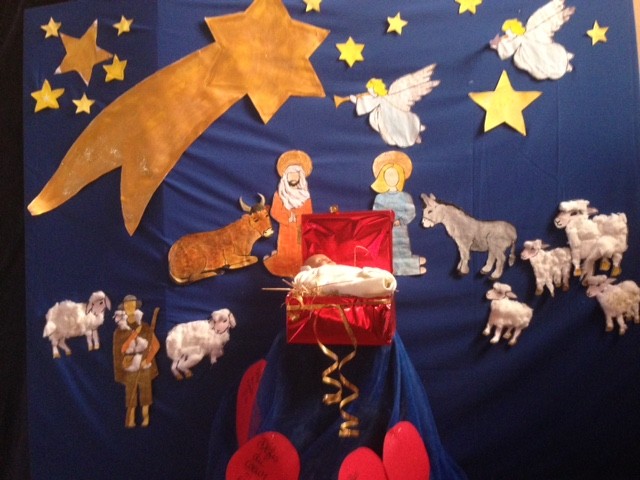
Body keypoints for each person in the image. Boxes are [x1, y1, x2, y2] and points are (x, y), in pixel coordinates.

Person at [371, 151, 426, 276]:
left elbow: (410, 212)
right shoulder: (380, 198)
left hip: (401, 229)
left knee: (402, 248)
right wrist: (386, 222)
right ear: (383, 177)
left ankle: (412, 266)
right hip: (386, 231)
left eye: (394, 174)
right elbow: (376, 214)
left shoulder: (405, 196)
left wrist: (400, 221)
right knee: (388, 250)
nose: (391, 178)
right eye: (388, 175)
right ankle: (393, 268)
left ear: (400, 176)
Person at [263, 150, 313, 277]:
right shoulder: (280, 195)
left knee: (299, 254)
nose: (293, 178)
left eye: (296, 174)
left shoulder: (305, 196)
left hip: (300, 231)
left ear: (300, 176)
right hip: (285, 230)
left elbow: (308, 213)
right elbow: (274, 212)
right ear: (286, 176)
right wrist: (287, 219)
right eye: (290, 174)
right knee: (285, 251)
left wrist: (297, 220)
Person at [112, 295, 160, 428]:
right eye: (127, 305)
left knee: (146, 394)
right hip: (129, 367)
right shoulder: (119, 332)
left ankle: (145, 418)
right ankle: (131, 419)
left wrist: (148, 360)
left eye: (132, 305)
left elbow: (155, 345)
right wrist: (120, 372)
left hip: (144, 366)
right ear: (123, 308)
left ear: (136, 307)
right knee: (131, 396)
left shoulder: (145, 327)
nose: (130, 307)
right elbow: (119, 352)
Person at [292, 253, 397, 298]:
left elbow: (351, 272)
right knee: (351, 285)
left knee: (360, 275)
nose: (326, 259)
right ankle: (378, 284)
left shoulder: (340, 268)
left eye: (328, 258)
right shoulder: (315, 273)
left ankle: (380, 281)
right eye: (319, 260)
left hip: (354, 275)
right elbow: (303, 279)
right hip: (339, 283)